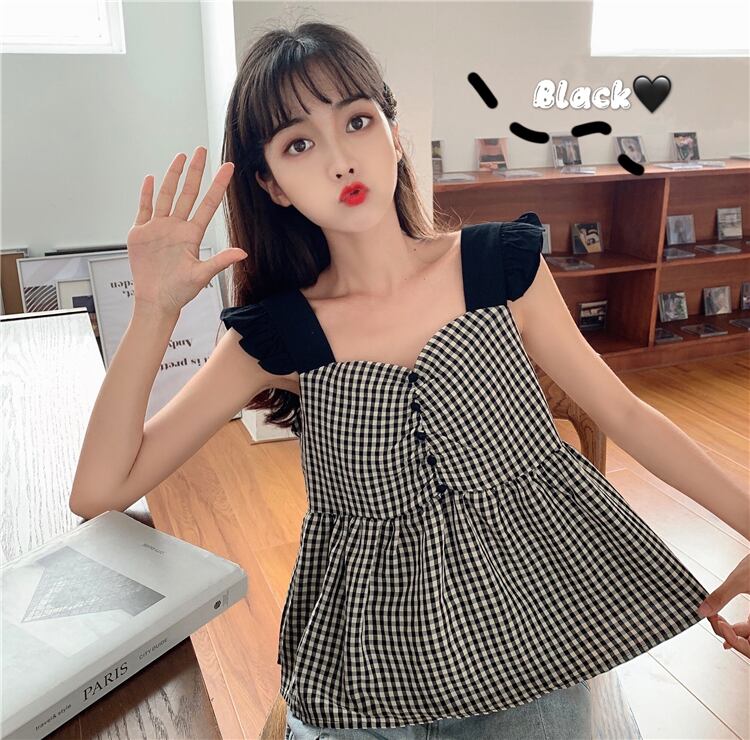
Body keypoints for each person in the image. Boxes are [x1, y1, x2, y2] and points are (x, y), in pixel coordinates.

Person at [70, 19, 750, 740]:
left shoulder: (500, 269)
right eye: (299, 144)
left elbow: (627, 414)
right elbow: (100, 491)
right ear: (271, 185)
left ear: (393, 134)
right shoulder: (277, 336)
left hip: (532, 640)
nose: (340, 160)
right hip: (364, 670)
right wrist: (154, 312)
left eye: (357, 121)